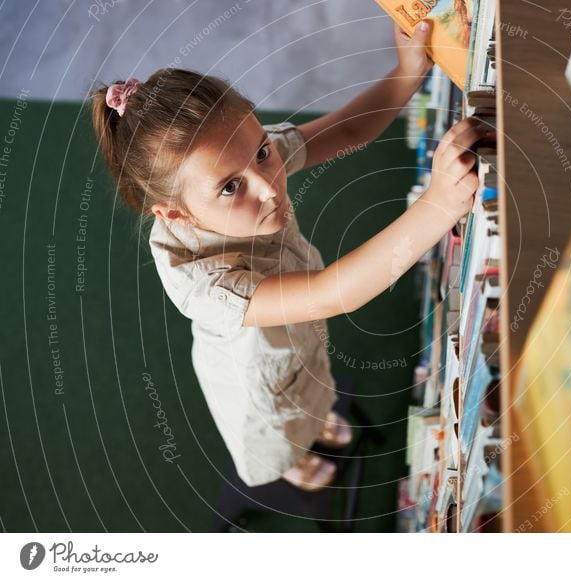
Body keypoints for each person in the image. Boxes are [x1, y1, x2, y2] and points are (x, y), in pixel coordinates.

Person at [89, 22, 488, 491]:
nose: (268, 186)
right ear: (176, 214)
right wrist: (438, 205)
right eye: (231, 188)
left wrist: (405, 74)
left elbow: (348, 131)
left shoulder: (234, 154)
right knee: (283, 434)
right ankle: (294, 465)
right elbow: (327, 294)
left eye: (262, 152)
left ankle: (317, 423)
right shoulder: (200, 283)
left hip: (299, 340)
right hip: (259, 388)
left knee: (316, 384)